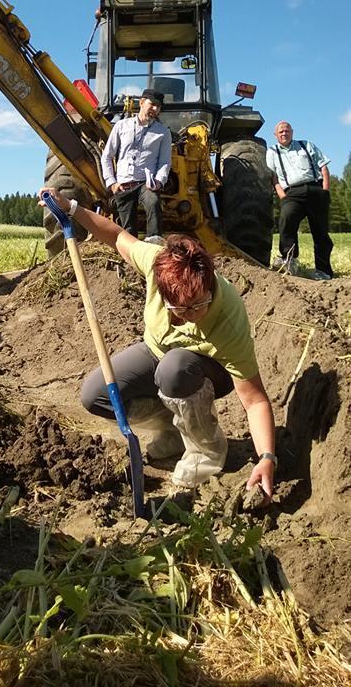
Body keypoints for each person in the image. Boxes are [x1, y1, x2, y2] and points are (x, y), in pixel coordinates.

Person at [39, 187, 277, 498]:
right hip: (157, 351)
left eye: (195, 306)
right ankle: (174, 429)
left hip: (204, 370)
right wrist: (71, 207)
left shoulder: (228, 318)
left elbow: (255, 401)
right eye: (176, 308)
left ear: (208, 288)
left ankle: (205, 450)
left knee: (174, 369)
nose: (185, 316)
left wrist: (266, 458)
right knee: (94, 395)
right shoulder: (155, 264)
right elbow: (116, 236)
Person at [101, 88, 172, 241]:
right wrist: (112, 183)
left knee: (153, 202)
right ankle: (130, 256)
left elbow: (165, 161)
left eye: (158, 106)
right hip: (123, 184)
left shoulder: (163, 133)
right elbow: (107, 156)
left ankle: (154, 242)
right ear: (141, 103)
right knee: (128, 230)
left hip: (145, 184)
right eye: (152, 104)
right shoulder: (121, 126)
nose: (155, 109)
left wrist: (159, 181)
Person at [266, 121, 333, 281]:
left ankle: (323, 271)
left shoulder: (306, 145)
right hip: (292, 193)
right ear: (275, 135)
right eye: (281, 131)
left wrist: (325, 190)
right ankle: (289, 261)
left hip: (315, 189)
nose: (284, 133)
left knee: (320, 231)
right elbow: (273, 177)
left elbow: (323, 168)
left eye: (287, 131)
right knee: (286, 220)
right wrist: (283, 196)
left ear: (292, 132)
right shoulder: (272, 152)